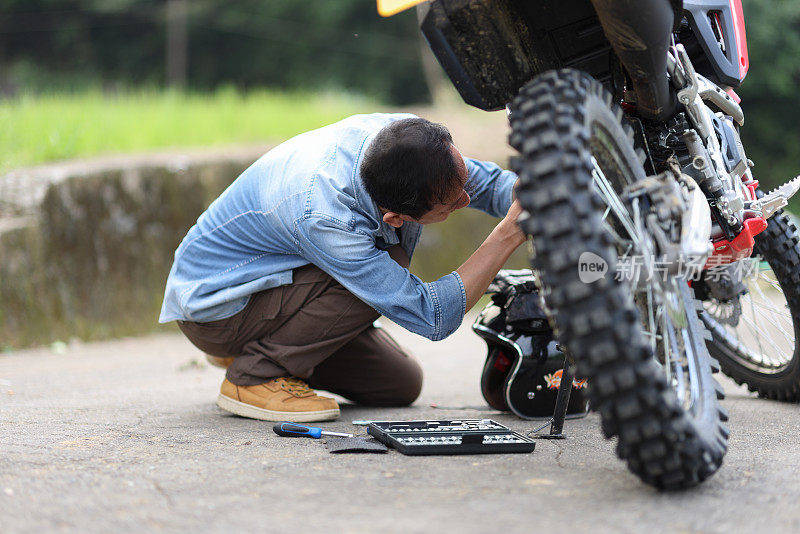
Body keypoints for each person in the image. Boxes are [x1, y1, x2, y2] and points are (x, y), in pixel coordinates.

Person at [159, 113, 525, 422]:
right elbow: (432, 315)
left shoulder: (408, 145)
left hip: (273, 284)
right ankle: (253, 374)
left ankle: (263, 346)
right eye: (451, 204)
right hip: (218, 307)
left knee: (398, 384)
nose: (466, 198)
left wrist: (552, 196)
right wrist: (508, 234)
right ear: (396, 218)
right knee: (387, 263)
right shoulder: (326, 215)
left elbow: (489, 185)